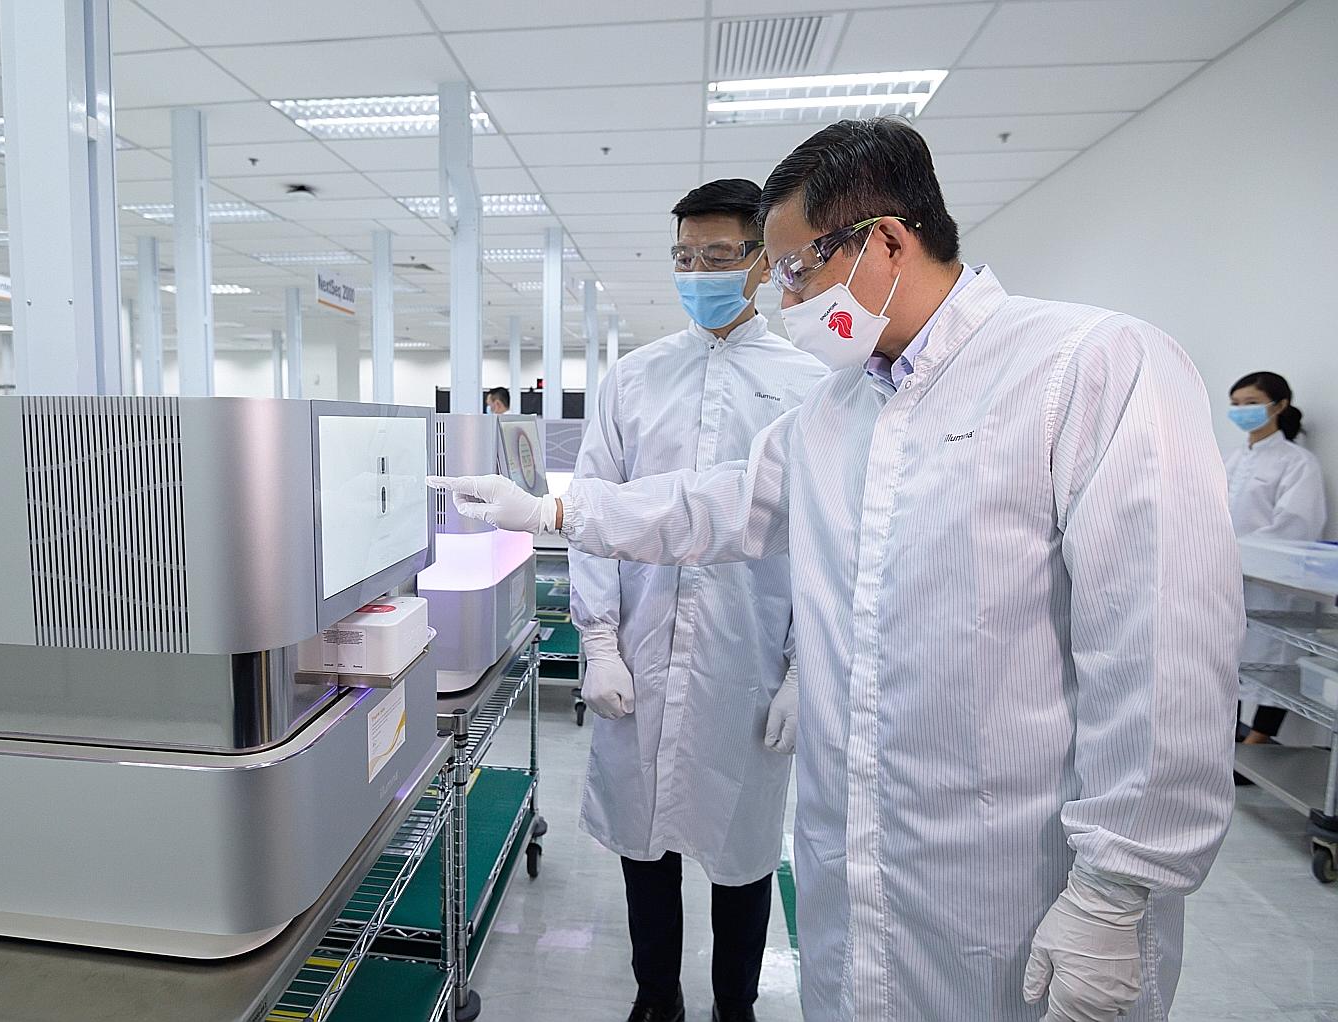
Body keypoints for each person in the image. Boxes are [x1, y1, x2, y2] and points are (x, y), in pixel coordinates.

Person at [431, 118, 1242, 1022]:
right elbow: (715, 504)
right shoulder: (840, 410)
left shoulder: (1088, 368)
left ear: (886, 241)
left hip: (1019, 884)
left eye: (795, 269)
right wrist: (554, 510)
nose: (782, 301)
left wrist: (1118, 891)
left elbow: (1163, 652)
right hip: (852, 867)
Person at [571, 178, 829, 1022]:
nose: (698, 272)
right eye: (685, 256)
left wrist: (804, 671)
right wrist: (600, 641)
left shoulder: (808, 383)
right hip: (642, 647)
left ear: (761, 261)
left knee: (744, 850)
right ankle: (657, 998)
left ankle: (735, 1006)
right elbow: (594, 510)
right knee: (644, 848)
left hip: (746, 656)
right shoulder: (636, 378)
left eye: (718, 256)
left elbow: (826, 544)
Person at [1225, 371, 1327, 745]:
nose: (1241, 411)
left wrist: (1237, 552)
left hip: (1272, 581)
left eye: (1251, 403)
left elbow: (1297, 524)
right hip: (1226, 578)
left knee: (1272, 659)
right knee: (1227, 657)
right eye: (1236, 404)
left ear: (1279, 405)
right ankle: (1227, 743)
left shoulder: (1297, 462)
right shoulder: (1231, 460)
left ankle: (1258, 744)